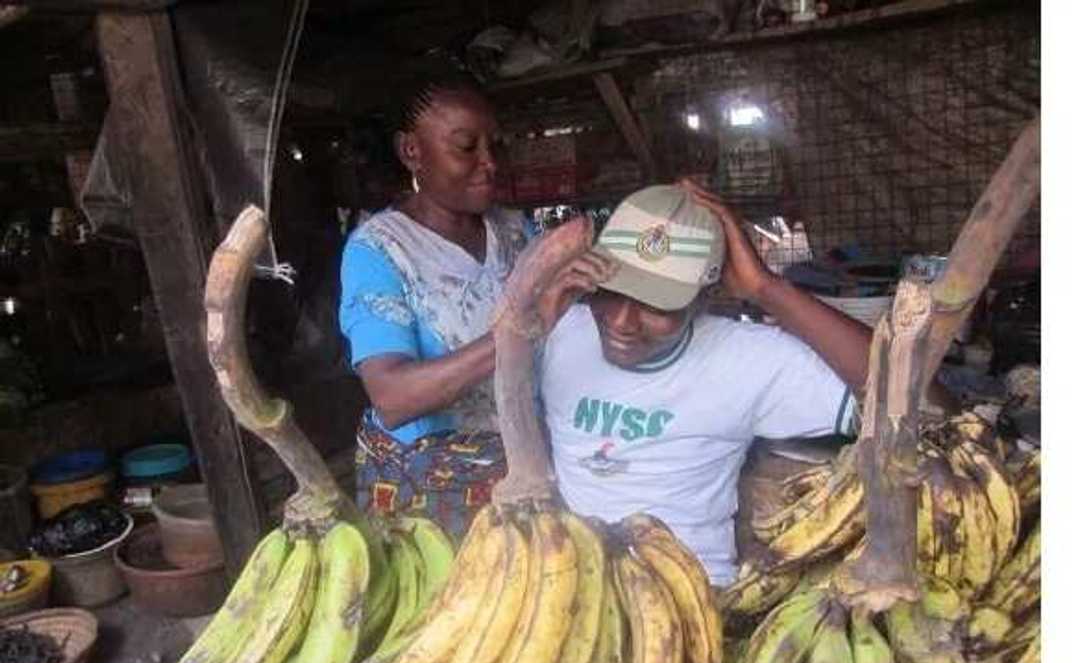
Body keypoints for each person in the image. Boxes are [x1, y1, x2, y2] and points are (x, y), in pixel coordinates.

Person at [536, 180, 876, 587]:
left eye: (657, 304)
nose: (622, 322)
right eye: (607, 292)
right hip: (567, 584)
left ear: (705, 297)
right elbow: (460, 391)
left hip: (688, 594)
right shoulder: (557, 331)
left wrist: (764, 288)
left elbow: (921, 400)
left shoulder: (748, 359)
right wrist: (530, 324)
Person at [338, 65, 532, 537]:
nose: (490, 162)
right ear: (411, 151)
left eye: (495, 145)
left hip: (521, 469)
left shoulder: (515, 231)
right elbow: (393, 397)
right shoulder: (380, 250)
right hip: (423, 486)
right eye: (467, 147)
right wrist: (516, 332)